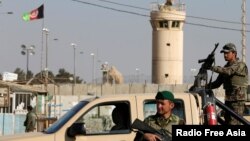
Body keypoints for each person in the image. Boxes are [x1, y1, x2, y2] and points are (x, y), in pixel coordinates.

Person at [206, 43, 248, 125]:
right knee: (227, 122)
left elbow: (228, 71)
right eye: (224, 53)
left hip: (237, 102)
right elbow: (217, 83)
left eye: (227, 53)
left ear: (234, 53)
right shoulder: (225, 67)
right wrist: (205, 87)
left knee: (234, 123)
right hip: (228, 101)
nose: (225, 55)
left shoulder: (240, 65)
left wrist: (211, 67)